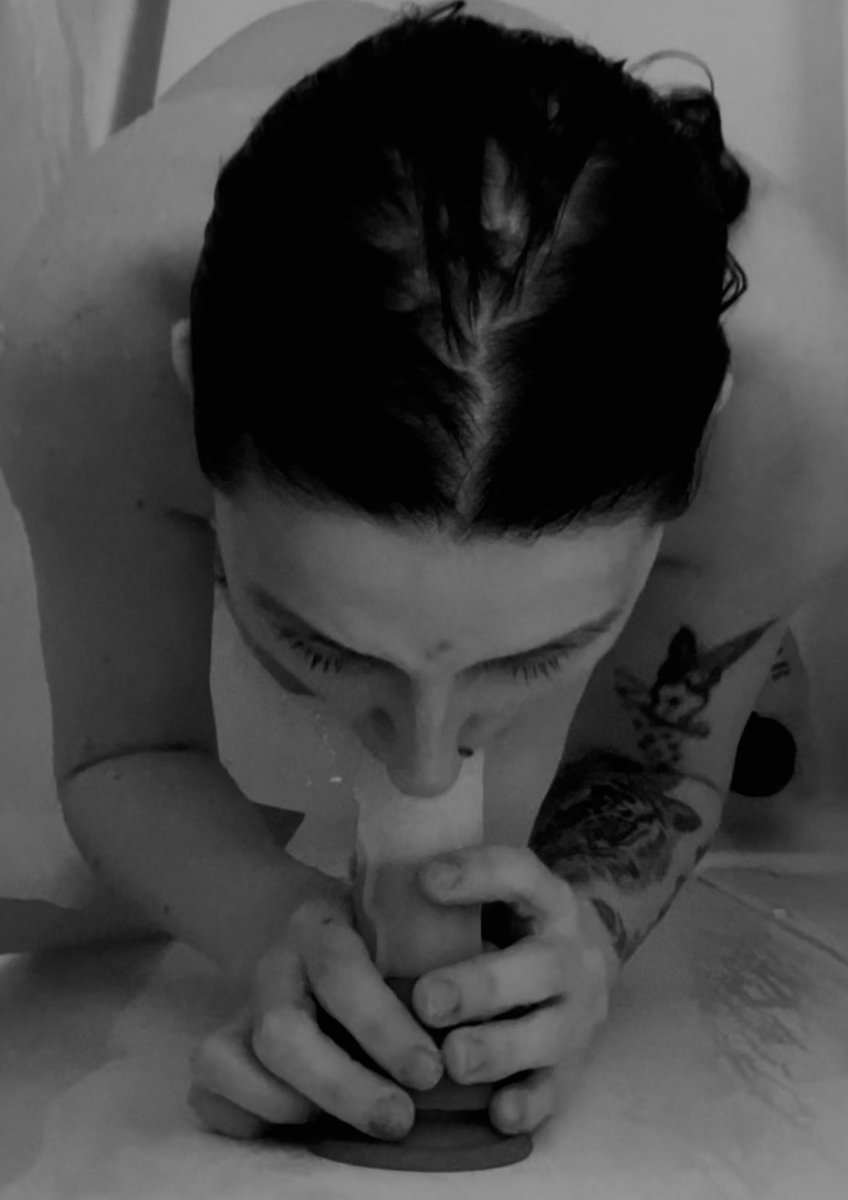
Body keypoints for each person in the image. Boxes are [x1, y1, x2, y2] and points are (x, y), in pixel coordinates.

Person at [1, 0, 847, 1147]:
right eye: (320, 641)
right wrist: (267, 921)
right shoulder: (90, 342)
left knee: (723, 676)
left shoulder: (795, 428)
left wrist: (582, 944)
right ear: (190, 405)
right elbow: (124, 749)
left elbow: (653, 768)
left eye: (536, 654)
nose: (423, 762)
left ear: (698, 455)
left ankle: (707, 630)